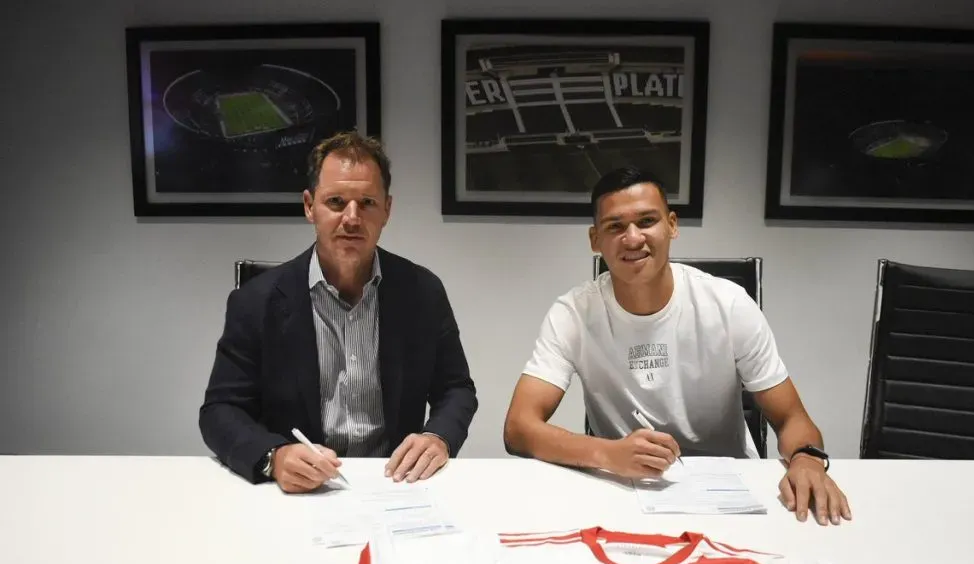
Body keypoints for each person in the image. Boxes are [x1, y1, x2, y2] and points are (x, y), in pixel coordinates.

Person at [503, 166, 852, 526]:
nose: (633, 238)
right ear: (595, 239)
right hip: (626, 491)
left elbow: (792, 417)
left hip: (730, 490)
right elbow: (518, 428)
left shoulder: (729, 305)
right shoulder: (574, 313)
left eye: (647, 221)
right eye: (615, 226)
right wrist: (608, 454)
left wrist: (807, 460)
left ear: (672, 225)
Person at [199, 131, 478, 493]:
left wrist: (438, 436)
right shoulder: (255, 301)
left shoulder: (423, 292)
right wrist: (273, 455)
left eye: (367, 202)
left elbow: (456, 389)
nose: (352, 218)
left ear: (387, 210)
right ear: (309, 206)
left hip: (394, 484)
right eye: (335, 201)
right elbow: (220, 411)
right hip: (301, 489)